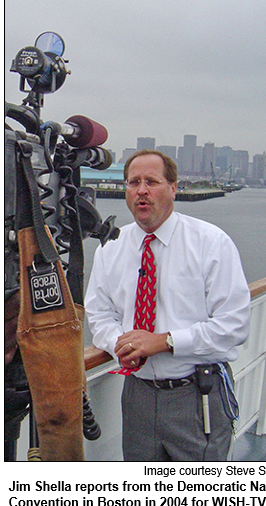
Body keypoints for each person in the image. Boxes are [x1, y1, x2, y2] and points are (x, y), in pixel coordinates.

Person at [85, 150, 250, 461]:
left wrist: (164, 342)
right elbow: (99, 312)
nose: (141, 190)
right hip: (137, 395)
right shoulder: (113, 247)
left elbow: (234, 324)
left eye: (152, 181)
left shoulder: (211, 243)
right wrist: (121, 344)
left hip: (196, 394)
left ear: (173, 187)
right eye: (133, 182)